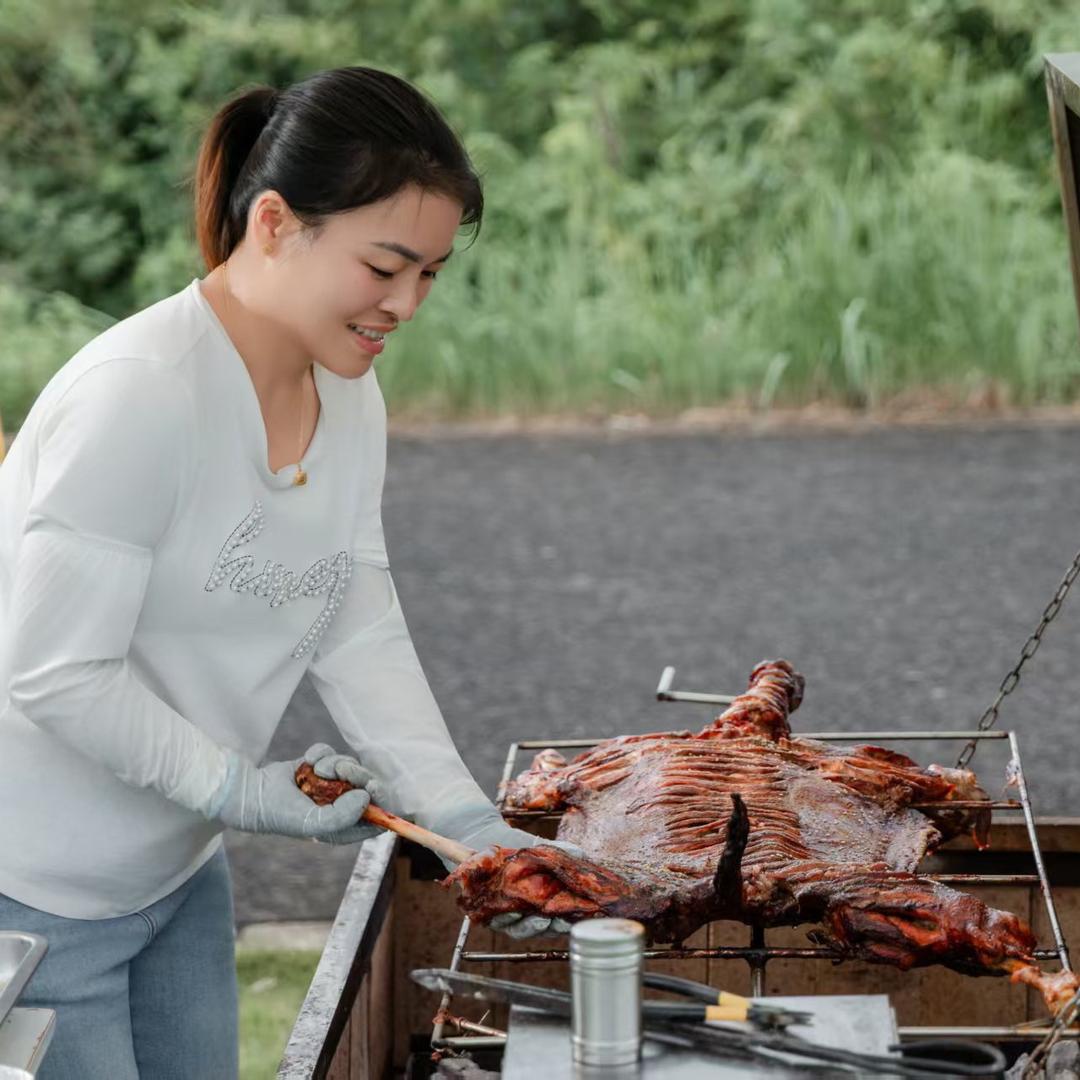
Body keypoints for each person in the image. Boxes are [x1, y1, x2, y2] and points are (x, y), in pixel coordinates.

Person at [0, 66, 573, 1080]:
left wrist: (464, 821)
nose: (406, 303)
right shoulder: (140, 396)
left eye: (431, 273)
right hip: (30, 896)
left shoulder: (349, 395)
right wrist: (242, 790)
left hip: (174, 876)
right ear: (274, 223)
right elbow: (51, 673)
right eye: (386, 265)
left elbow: (351, 618)